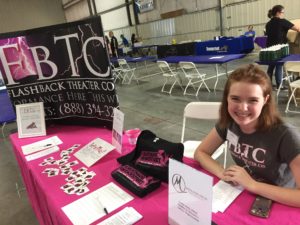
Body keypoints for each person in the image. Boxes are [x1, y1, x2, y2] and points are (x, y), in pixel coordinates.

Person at [194, 64, 300, 207]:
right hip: (245, 194)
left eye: (253, 100)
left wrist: (252, 184)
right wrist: (222, 173)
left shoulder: (286, 136)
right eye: (235, 99)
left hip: (280, 202)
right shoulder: (228, 124)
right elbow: (201, 152)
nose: (243, 108)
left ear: (265, 100)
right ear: (227, 98)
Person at [265, 5, 300, 89]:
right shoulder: (282, 21)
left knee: (271, 66)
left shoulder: (268, 24)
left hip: (269, 48)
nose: (283, 14)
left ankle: (268, 85)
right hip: (279, 48)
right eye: (282, 12)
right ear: (278, 13)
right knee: (279, 66)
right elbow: (297, 29)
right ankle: (279, 85)